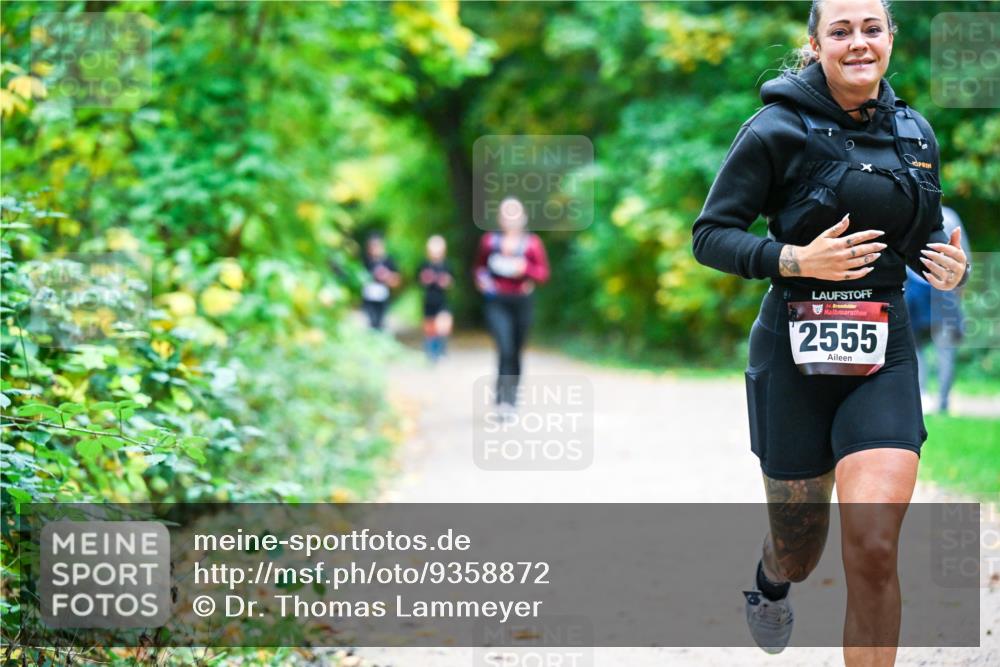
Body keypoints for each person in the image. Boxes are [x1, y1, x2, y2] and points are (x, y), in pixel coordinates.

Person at [690, 1, 970, 663]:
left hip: (883, 353)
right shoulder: (773, 129)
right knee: (800, 547)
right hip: (792, 355)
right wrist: (791, 259)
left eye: (871, 28)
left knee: (873, 545)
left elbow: (924, 237)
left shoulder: (915, 134)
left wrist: (949, 266)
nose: (858, 43)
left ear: (891, 38)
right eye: (840, 30)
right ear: (815, 44)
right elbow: (709, 236)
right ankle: (770, 582)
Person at [474, 196, 550, 415]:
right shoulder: (489, 242)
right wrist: (483, 282)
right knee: (504, 347)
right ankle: (502, 400)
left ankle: (512, 397)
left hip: (522, 302)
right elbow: (479, 268)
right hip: (497, 301)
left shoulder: (532, 244)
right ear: (500, 218)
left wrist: (524, 269)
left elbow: (543, 274)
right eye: (506, 213)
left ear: (523, 218)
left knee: (516, 350)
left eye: (514, 213)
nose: (510, 218)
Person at [904, 207, 971, 413]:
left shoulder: (910, 212)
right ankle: (934, 399)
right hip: (931, 291)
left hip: (929, 290)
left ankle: (930, 398)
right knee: (935, 349)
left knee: (923, 349)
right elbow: (965, 257)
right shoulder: (949, 215)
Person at [417, 235, 454, 362]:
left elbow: (450, 282)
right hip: (429, 300)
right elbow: (419, 280)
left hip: (442, 300)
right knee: (430, 328)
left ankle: (442, 352)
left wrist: (445, 281)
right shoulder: (424, 264)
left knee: (444, 326)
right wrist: (427, 279)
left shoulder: (447, 265)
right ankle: (431, 354)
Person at [360, 232, 400, 331]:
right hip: (368, 296)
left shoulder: (389, 260)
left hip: (383, 295)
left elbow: (397, 280)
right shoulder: (365, 260)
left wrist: (386, 276)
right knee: (371, 321)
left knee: (381, 322)